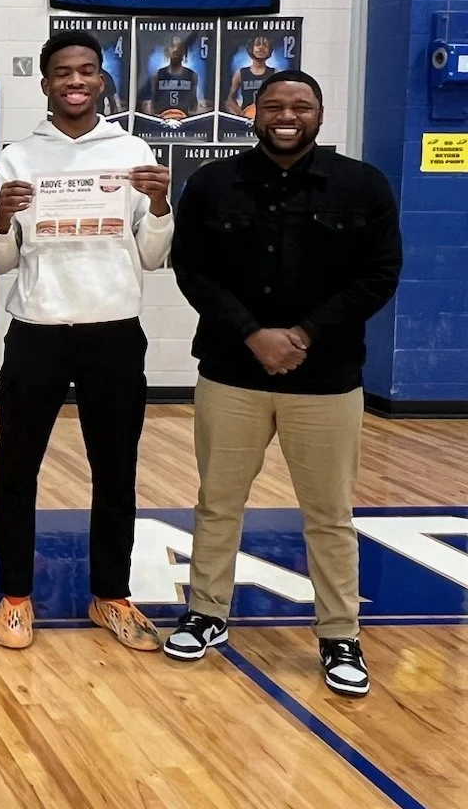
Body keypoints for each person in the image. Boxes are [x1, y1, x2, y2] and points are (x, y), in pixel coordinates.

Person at [167, 71, 401, 697]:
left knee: (329, 515)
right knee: (218, 503)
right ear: (254, 114)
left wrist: (302, 335)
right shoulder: (215, 184)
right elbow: (192, 270)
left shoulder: (363, 184)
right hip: (232, 373)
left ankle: (339, 635)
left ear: (320, 114)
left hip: (326, 379)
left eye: (301, 105)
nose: (287, 115)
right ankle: (207, 612)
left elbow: (380, 275)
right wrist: (253, 334)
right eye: (274, 105)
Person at [0, 32, 173, 651]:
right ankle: (14, 598)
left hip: (114, 333)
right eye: (62, 72)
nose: (75, 81)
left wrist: (162, 204)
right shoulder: (17, 158)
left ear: (101, 81)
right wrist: (3, 217)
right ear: (44, 83)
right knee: (17, 469)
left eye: (87, 71)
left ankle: (111, 597)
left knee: (115, 471)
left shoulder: (132, 150)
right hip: (37, 331)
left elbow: (150, 255)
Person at [138, 34, 209, 119]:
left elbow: (194, 106)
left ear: (184, 51)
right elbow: (152, 105)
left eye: (179, 47)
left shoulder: (192, 76)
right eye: (172, 46)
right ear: (167, 50)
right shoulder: (158, 75)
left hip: (184, 121)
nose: (176, 50)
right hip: (162, 121)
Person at [225, 34, 277, 119]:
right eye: (257, 44)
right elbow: (230, 99)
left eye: (265, 45)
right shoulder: (241, 73)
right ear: (251, 48)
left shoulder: (275, 73)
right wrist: (241, 114)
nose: (261, 47)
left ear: (269, 51)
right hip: (247, 119)